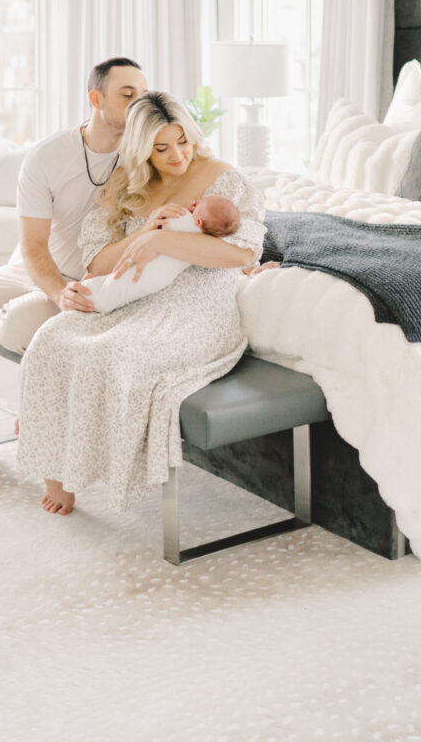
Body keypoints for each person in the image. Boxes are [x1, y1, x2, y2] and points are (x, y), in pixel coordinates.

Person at [15, 90, 266, 515]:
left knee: (115, 355)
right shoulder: (125, 187)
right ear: (141, 148)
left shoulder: (227, 180)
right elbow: (96, 262)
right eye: (161, 147)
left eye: (183, 141)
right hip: (129, 296)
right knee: (51, 340)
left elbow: (242, 255)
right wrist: (144, 231)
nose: (177, 155)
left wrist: (164, 239)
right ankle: (57, 473)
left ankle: (102, 469)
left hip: (198, 301)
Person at [0, 57, 148, 477]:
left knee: (20, 326)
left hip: (98, 286)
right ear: (96, 99)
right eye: (127, 95)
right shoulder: (48, 156)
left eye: (143, 95)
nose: (138, 104)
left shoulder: (148, 152)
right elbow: (33, 246)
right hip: (35, 269)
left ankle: (46, 430)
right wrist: (58, 291)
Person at [84, 194, 240, 313]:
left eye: (197, 205)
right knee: (124, 288)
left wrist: (169, 215)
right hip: (162, 278)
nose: (194, 202)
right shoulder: (203, 237)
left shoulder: (185, 221)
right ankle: (93, 292)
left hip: (154, 276)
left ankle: (90, 293)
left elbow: (168, 222)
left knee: (120, 285)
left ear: (199, 222)